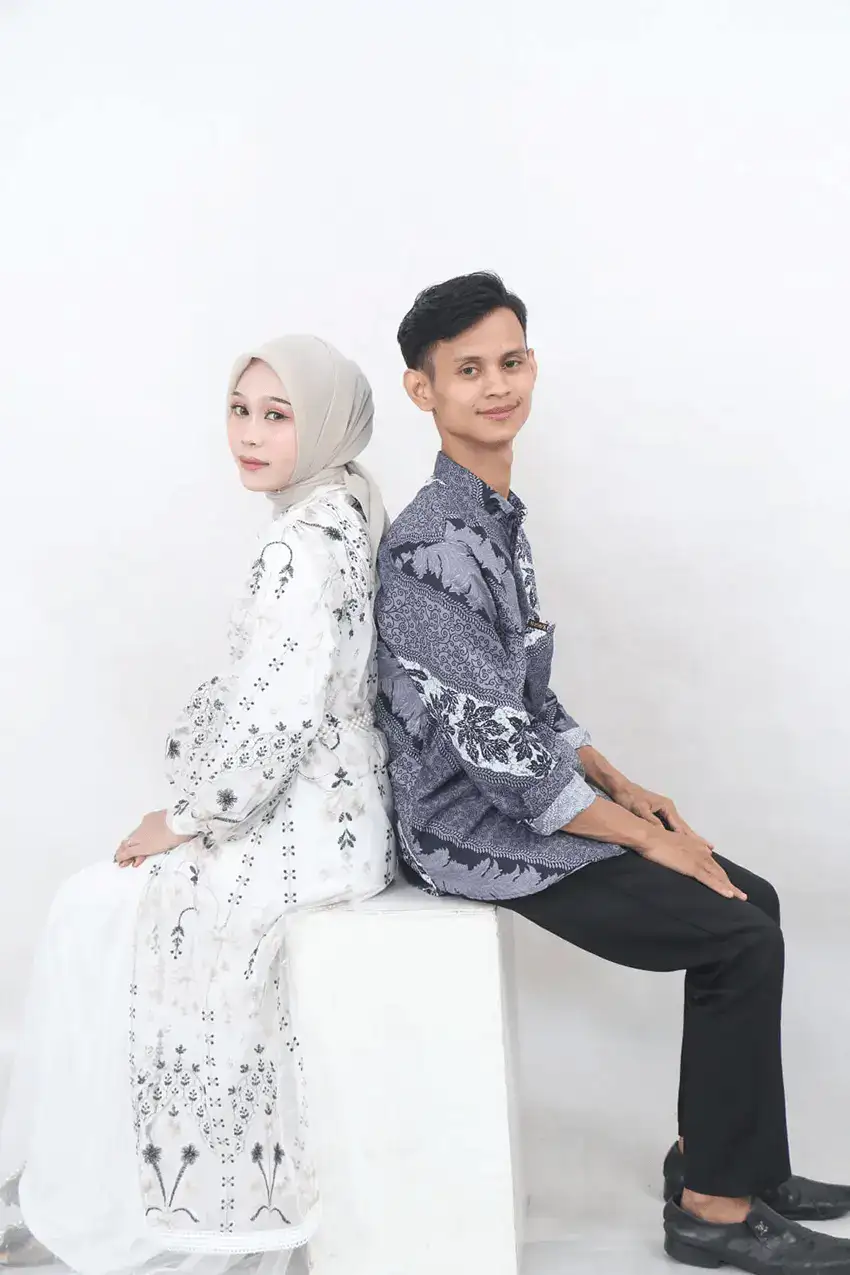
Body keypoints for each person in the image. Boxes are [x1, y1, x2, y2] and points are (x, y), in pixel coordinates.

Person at [374, 272, 850, 1274]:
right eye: (468, 370)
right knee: (734, 936)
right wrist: (644, 839)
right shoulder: (429, 546)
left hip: (519, 797)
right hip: (468, 830)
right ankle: (712, 1214)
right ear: (424, 390)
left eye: (510, 362)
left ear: (533, 366)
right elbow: (501, 759)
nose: (496, 386)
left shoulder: (495, 517)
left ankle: (719, 1160)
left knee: (752, 903)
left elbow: (529, 698)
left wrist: (627, 785)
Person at [0, 335, 395, 1274]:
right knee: (101, 913)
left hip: (301, 822)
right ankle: (77, 1179)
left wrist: (184, 821)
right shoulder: (346, 511)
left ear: (325, 423)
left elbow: (279, 716)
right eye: (239, 410)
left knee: (91, 909)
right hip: (346, 815)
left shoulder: (301, 541)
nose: (250, 434)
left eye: (277, 415)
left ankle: (104, 1196)